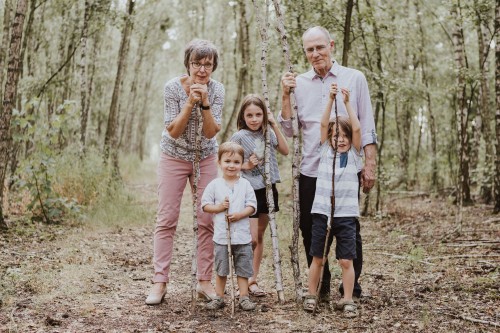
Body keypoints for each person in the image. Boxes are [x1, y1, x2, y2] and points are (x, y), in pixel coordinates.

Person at [279, 26, 377, 301]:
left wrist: (369, 165)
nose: (315, 53)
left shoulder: (354, 78)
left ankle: (352, 290)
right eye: (309, 49)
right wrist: (285, 96)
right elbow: (289, 130)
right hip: (312, 169)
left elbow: (367, 125)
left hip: (346, 169)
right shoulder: (298, 83)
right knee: (310, 228)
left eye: (320, 47)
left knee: (348, 227)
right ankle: (320, 286)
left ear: (331, 45)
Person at [146, 39, 225, 305]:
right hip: (174, 155)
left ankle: (204, 281)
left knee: (206, 218)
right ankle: (160, 281)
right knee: (167, 217)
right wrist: (190, 102)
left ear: (213, 67)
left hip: (205, 156)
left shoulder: (217, 90)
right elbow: (174, 130)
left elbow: (212, 132)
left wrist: (204, 103)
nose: (202, 70)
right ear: (188, 64)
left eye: (208, 64)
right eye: (197, 63)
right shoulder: (172, 88)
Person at [303, 84, 361, 318]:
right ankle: (310, 294)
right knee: (318, 257)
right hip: (322, 213)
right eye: (337, 136)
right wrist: (330, 99)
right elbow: (324, 125)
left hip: (346, 216)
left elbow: (357, 129)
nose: (341, 140)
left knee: (346, 261)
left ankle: (347, 300)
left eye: (345, 136)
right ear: (330, 138)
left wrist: (347, 103)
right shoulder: (325, 151)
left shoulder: (355, 156)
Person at [229, 94, 289, 297]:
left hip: (267, 189)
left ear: (264, 116)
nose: (254, 119)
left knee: (260, 236)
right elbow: (227, 163)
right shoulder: (239, 137)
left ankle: (253, 280)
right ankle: (243, 282)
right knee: (251, 239)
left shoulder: (268, 133)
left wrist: (273, 124)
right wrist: (246, 165)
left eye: (258, 115)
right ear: (243, 116)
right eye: (249, 115)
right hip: (248, 190)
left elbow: (285, 150)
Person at [201, 142, 258, 311]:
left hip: (242, 236)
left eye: (236, 162)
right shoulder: (214, 185)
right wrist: (219, 208)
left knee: (243, 268)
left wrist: (240, 214)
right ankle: (219, 297)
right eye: (227, 161)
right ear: (219, 162)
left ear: (242, 164)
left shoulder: (246, 184)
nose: (231, 166)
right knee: (221, 269)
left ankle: (243, 297)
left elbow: (252, 206)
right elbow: (204, 205)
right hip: (221, 237)